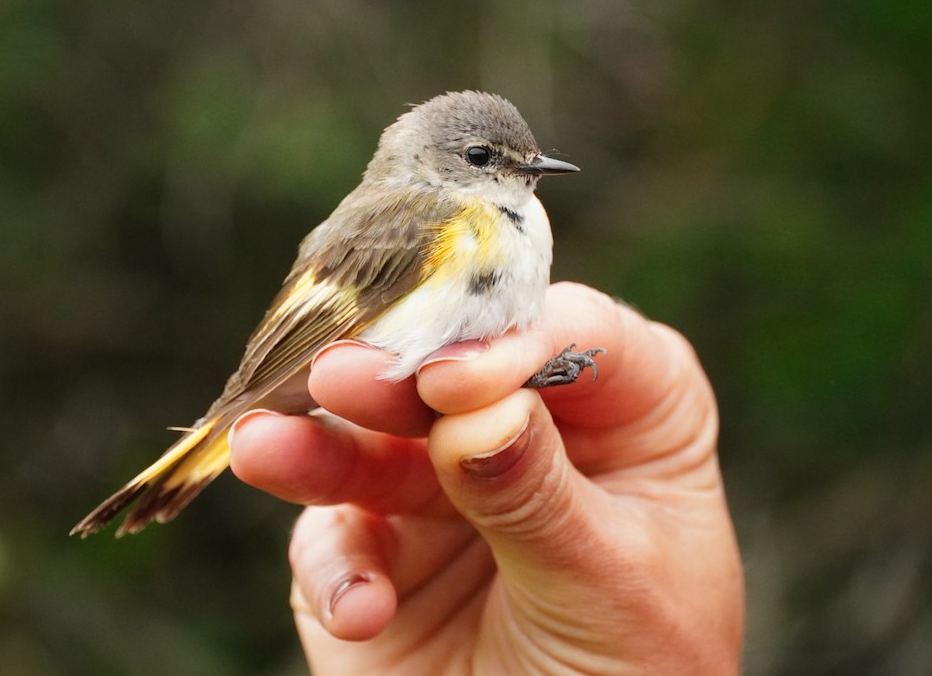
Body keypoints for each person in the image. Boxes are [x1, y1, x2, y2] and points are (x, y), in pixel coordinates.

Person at [229, 282, 745, 675]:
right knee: (457, 386)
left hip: (434, 394)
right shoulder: (426, 215)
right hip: (373, 372)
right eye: (481, 159)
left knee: (465, 385)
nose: (525, 171)